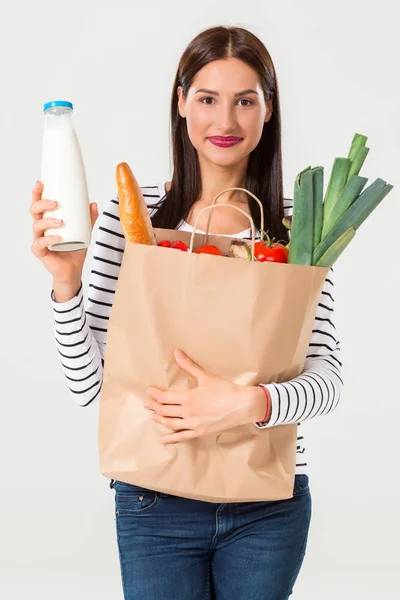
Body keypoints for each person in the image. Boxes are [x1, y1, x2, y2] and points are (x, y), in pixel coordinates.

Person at [30, 25, 343, 600]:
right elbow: (90, 388)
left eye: (245, 100)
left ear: (267, 110)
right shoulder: (133, 220)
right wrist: (66, 285)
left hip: (266, 506)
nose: (225, 121)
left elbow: (327, 382)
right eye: (207, 98)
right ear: (180, 103)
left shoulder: (299, 229)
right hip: (155, 499)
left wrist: (248, 403)